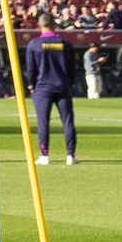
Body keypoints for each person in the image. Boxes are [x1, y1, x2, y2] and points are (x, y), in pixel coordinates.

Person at [26, 21, 79, 166]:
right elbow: (72, 67)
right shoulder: (65, 43)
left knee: (43, 121)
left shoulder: (34, 44)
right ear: (55, 26)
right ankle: (71, 155)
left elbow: (31, 68)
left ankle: (45, 155)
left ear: (39, 25)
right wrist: (70, 82)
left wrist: (31, 84)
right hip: (62, 86)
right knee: (68, 121)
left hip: (43, 88)